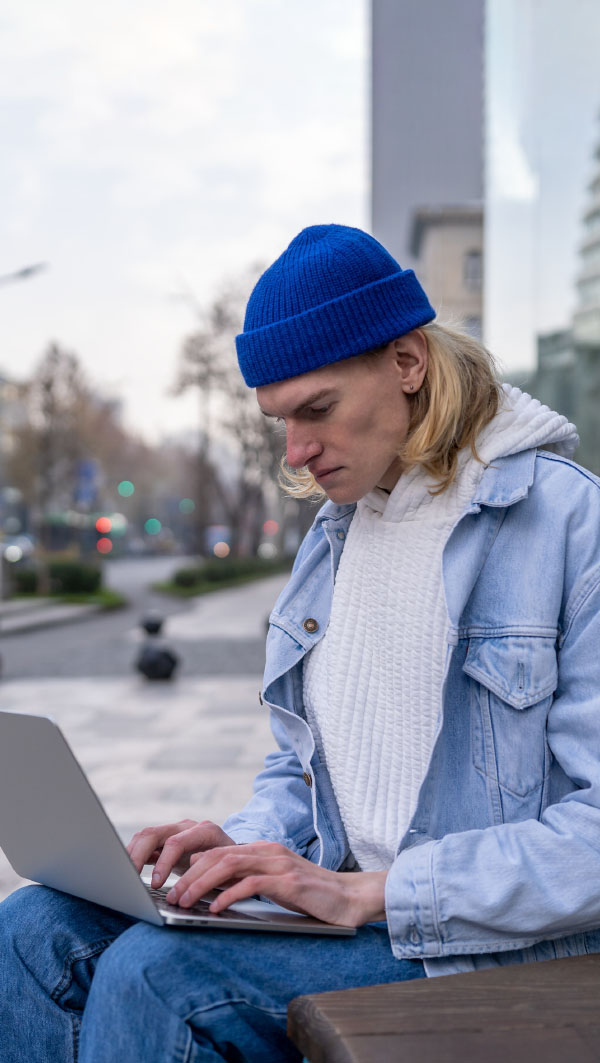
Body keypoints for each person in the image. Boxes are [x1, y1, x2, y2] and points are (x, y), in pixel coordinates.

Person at [2, 223, 600, 1062]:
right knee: (31, 927)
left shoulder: (571, 527)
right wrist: (243, 849)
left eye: (317, 410)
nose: (298, 451)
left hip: (473, 941)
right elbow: (308, 769)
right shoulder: (335, 539)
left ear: (407, 361)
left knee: (157, 976)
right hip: (353, 910)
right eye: (279, 420)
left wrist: (373, 891)